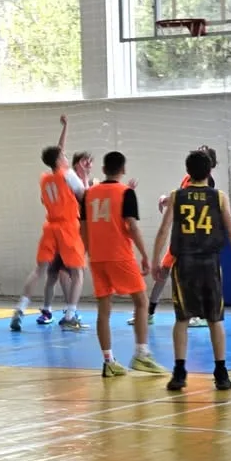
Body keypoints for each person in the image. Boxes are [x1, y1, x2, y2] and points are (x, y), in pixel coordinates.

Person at [152, 150, 231, 391]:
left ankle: (179, 372)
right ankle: (221, 372)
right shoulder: (219, 197)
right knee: (215, 319)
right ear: (210, 171)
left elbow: (163, 231)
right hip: (209, 263)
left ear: (188, 171)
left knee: (182, 318)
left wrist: (155, 260)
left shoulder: (177, 196)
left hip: (184, 263)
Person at [81, 152, 165, 377]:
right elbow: (132, 227)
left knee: (104, 309)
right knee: (141, 301)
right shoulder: (126, 192)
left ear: (103, 169)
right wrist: (145, 255)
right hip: (119, 255)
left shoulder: (89, 194)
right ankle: (141, 354)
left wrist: (88, 251)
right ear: (123, 169)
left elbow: (83, 227)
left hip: (97, 257)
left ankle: (109, 361)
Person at [13, 116, 87, 331]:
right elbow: (83, 195)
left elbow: (58, 151)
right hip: (67, 227)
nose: (66, 156)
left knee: (39, 270)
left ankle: (20, 308)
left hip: (50, 227)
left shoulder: (45, 179)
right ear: (59, 160)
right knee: (77, 273)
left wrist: (66, 128)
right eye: (64, 156)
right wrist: (85, 179)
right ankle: (70, 315)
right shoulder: (69, 175)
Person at [132, 145, 219, 328]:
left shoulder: (208, 184)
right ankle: (149, 312)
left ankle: (200, 314)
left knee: (196, 276)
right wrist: (167, 200)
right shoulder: (187, 179)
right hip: (181, 236)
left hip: (197, 240)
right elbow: (181, 199)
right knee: (163, 272)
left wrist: (167, 200)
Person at [39, 151, 94, 326]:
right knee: (63, 271)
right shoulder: (66, 177)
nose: (88, 164)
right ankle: (68, 311)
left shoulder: (61, 178)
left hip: (76, 230)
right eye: (85, 161)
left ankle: (61, 310)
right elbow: (84, 197)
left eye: (90, 162)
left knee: (62, 271)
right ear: (76, 163)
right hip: (69, 230)